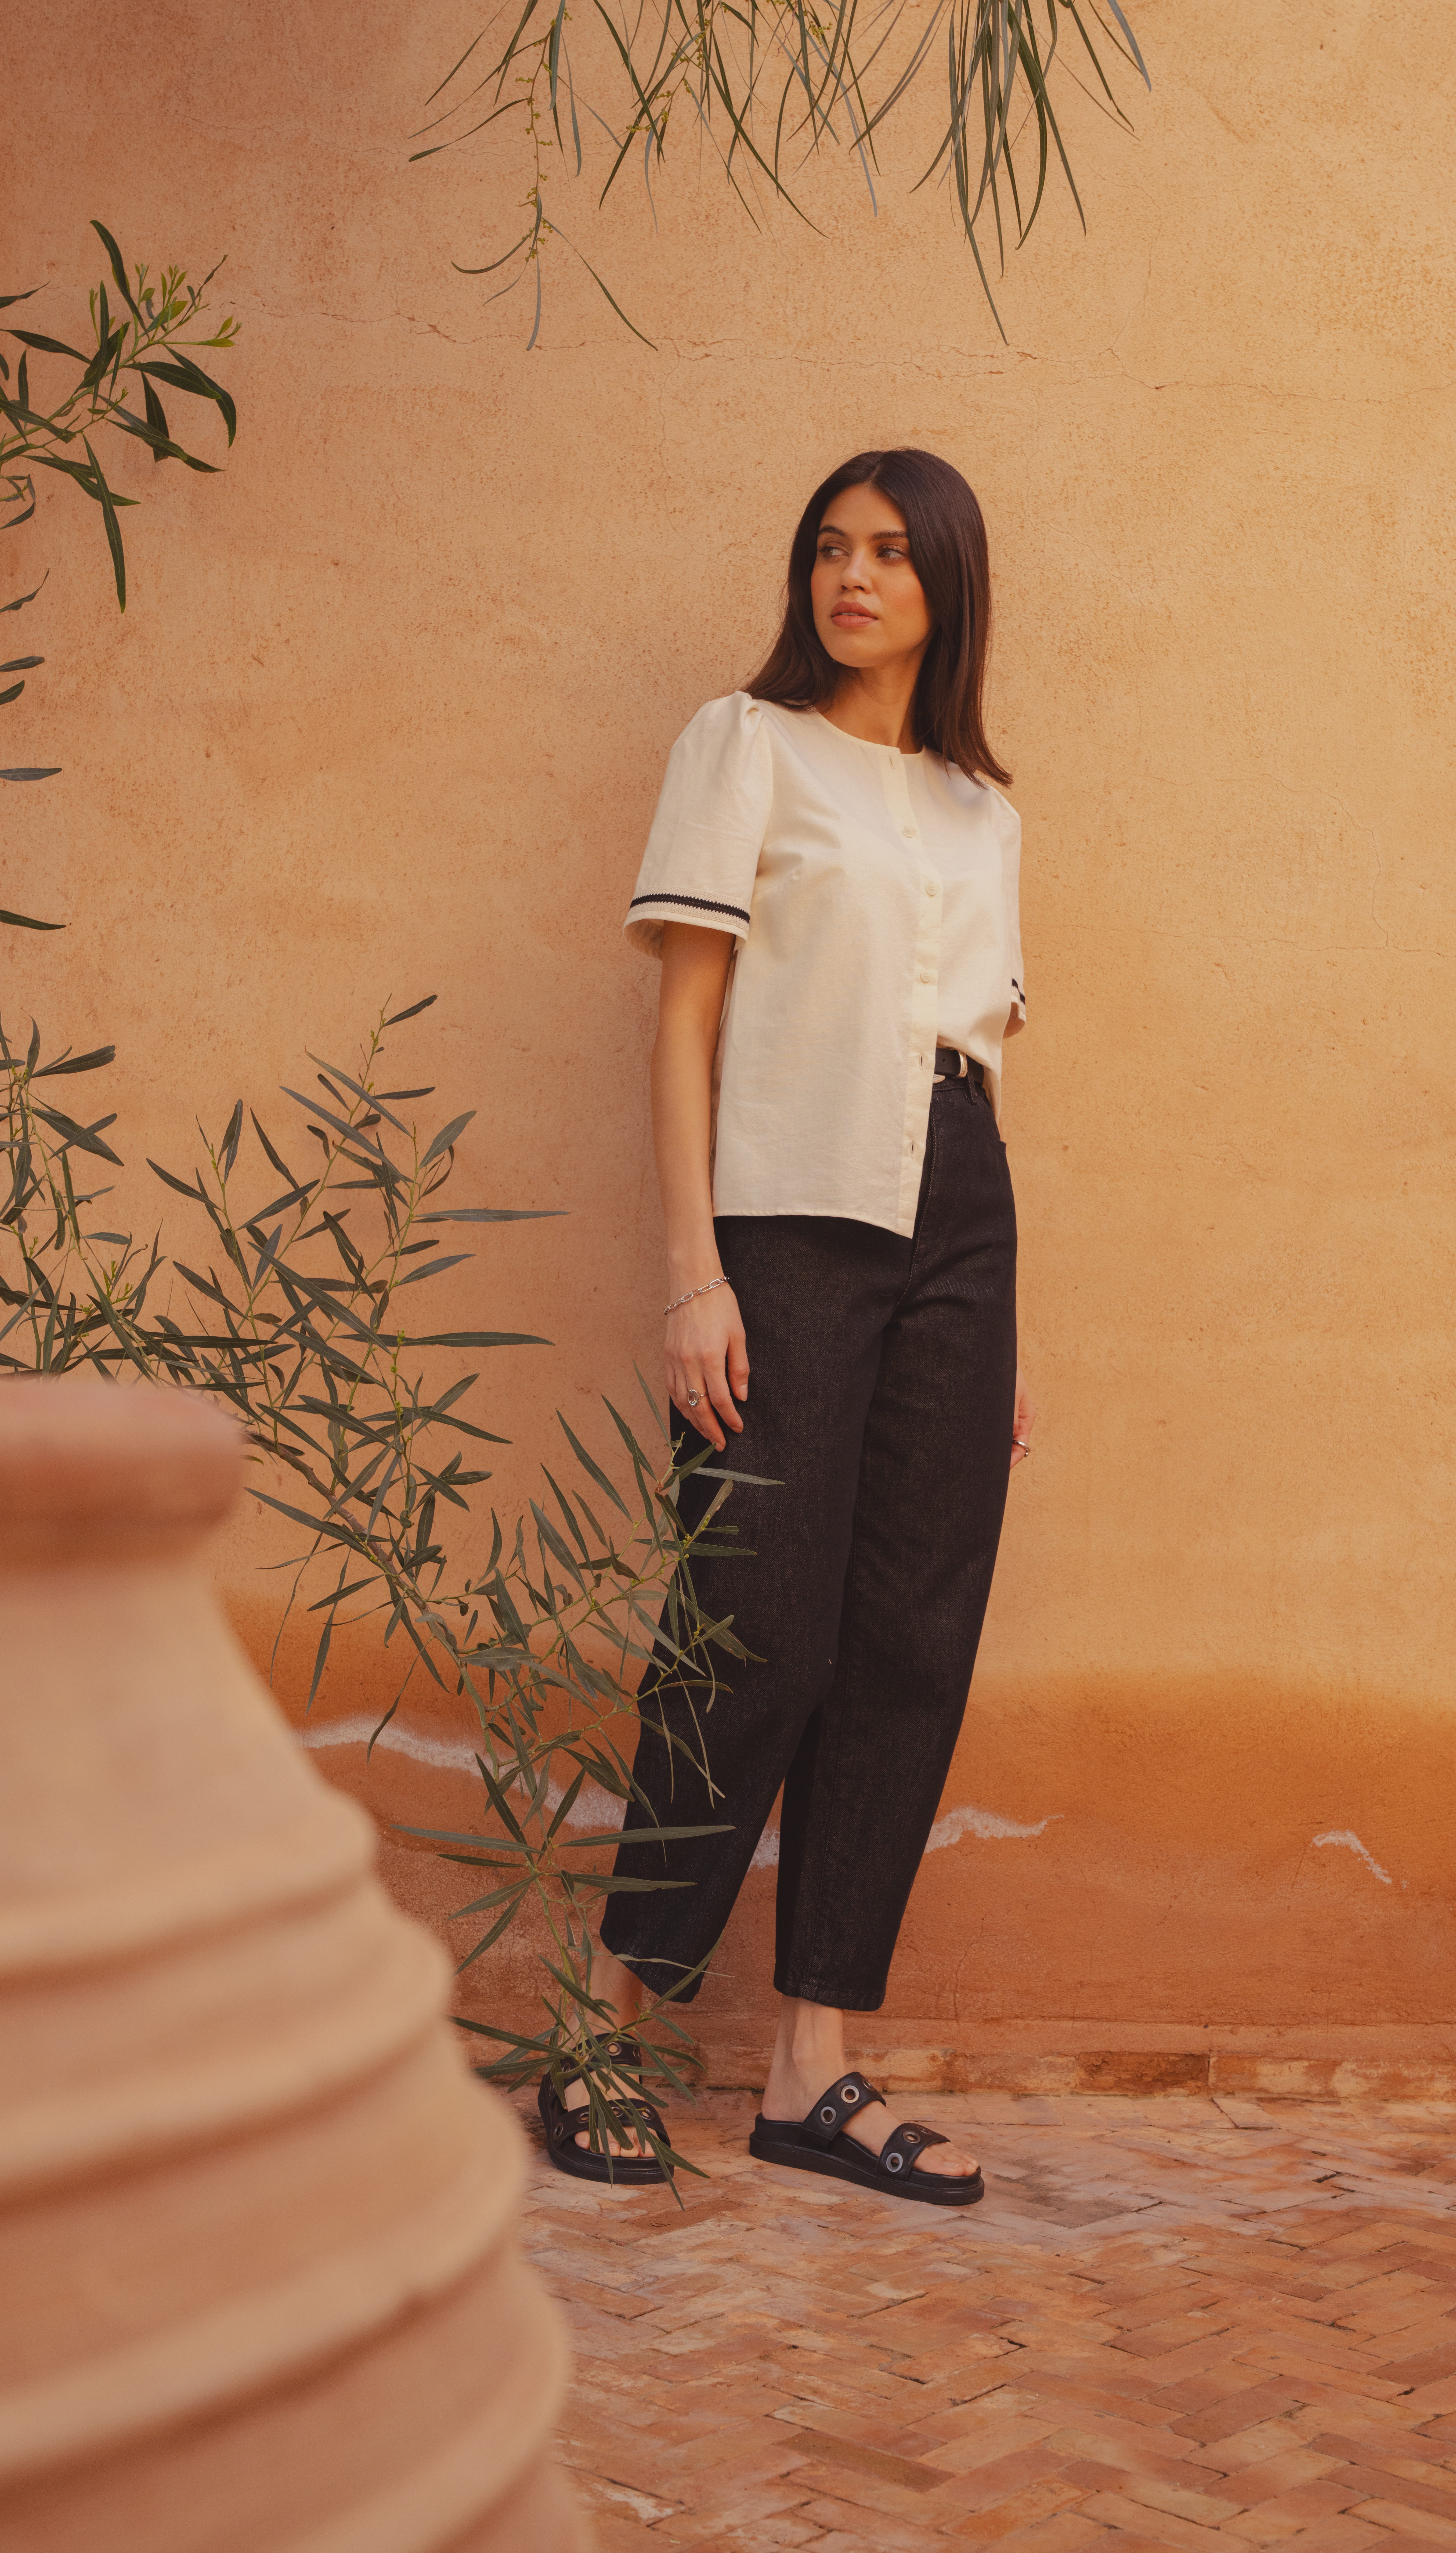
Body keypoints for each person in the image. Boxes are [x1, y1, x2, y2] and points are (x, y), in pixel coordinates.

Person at [539, 448, 1032, 2205]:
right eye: (831, 548)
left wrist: (997, 1342)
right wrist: (694, 1272)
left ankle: (811, 2068)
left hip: (957, 1225)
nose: (854, 578)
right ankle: (603, 2027)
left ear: (947, 584)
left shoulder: (988, 813)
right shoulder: (743, 745)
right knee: (754, 1635)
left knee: (908, 1648)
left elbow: (966, 1069)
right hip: (789, 1221)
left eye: (892, 554)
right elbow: (686, 1024)